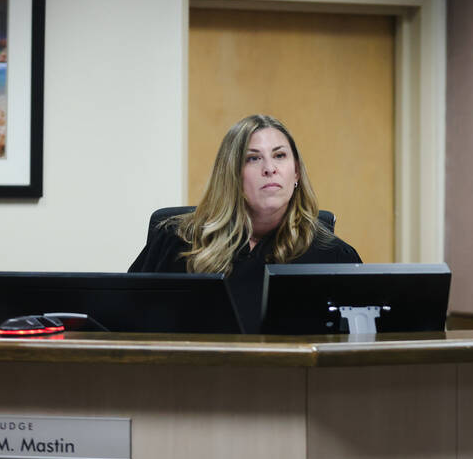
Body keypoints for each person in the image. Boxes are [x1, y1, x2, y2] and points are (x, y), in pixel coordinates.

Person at [130, 114, 361, 332]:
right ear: (231, 175)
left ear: (297, 172)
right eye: (253, 158)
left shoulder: (334, 256)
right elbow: (122, 323)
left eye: (279, 155)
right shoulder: (177, 241)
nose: (270, 169)